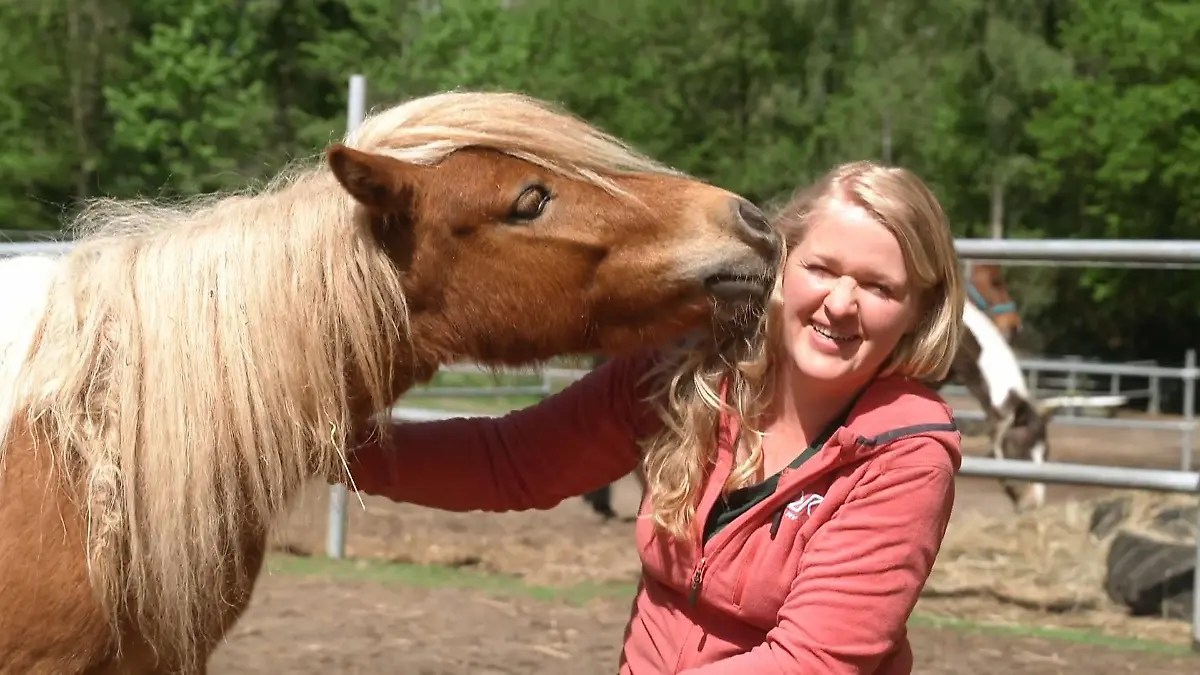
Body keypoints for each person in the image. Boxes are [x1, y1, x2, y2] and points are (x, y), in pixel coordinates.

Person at [339, 159, 966, 674]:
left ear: (918, 310)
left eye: (880, 288)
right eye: (822, 269)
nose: (841, 304)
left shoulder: (904, 452)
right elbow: (514, 462)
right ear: (784, 263)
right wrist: (327, 449)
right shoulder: (686, 368)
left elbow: (814, 660)